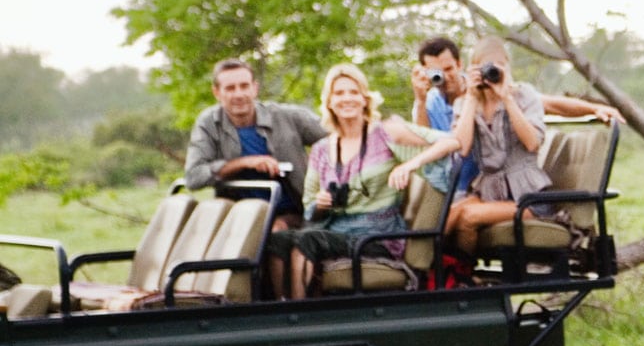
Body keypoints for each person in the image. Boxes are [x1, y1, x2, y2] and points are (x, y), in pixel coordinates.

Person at [262, 63, 458, 300]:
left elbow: (450, 142)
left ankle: (299, 316)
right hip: (335, 230)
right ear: (330, 102)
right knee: (277, 240)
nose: (347, 99)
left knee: (308, 239)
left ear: (365, 99)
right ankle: (284, 309)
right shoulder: (321, 149)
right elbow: (309, 209)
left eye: (354, 92)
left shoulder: (385, 133)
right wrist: (321, 204)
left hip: (376, 236)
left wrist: (409, 164)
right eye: (339, 93)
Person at [442, 38, 560, 265]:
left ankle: (461, 276)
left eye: (496, 67)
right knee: (448, 216)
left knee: (469, 216)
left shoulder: (524, 95)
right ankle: (432, 275)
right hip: (490, 193)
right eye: (484, 67)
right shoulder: (466, 103)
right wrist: (471, 98)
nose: (490, 73)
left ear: (507, 67)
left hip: (529, 198)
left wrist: (506, 97)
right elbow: (462, 148)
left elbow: (532, 143)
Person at [183, 59, 330, 229]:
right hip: (239, 216)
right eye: (230, 88)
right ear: (217, 92)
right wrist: (244, 163)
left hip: (294, 212)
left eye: (244, 86)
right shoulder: (209, 123)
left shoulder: (287, 116)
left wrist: (322, 171)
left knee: (271, 232)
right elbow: (193, 177)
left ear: (255, 88)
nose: (238, 94)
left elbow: (340, 137)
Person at [411, 35, 623, 133]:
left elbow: (548, 104)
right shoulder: (429, 101)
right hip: (450, 181)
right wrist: (420, 101)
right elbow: (421, 140)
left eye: (448, 69)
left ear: (459, 64)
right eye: (436, 72)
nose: (445, 77)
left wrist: (595, 108)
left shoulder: (485, 87)